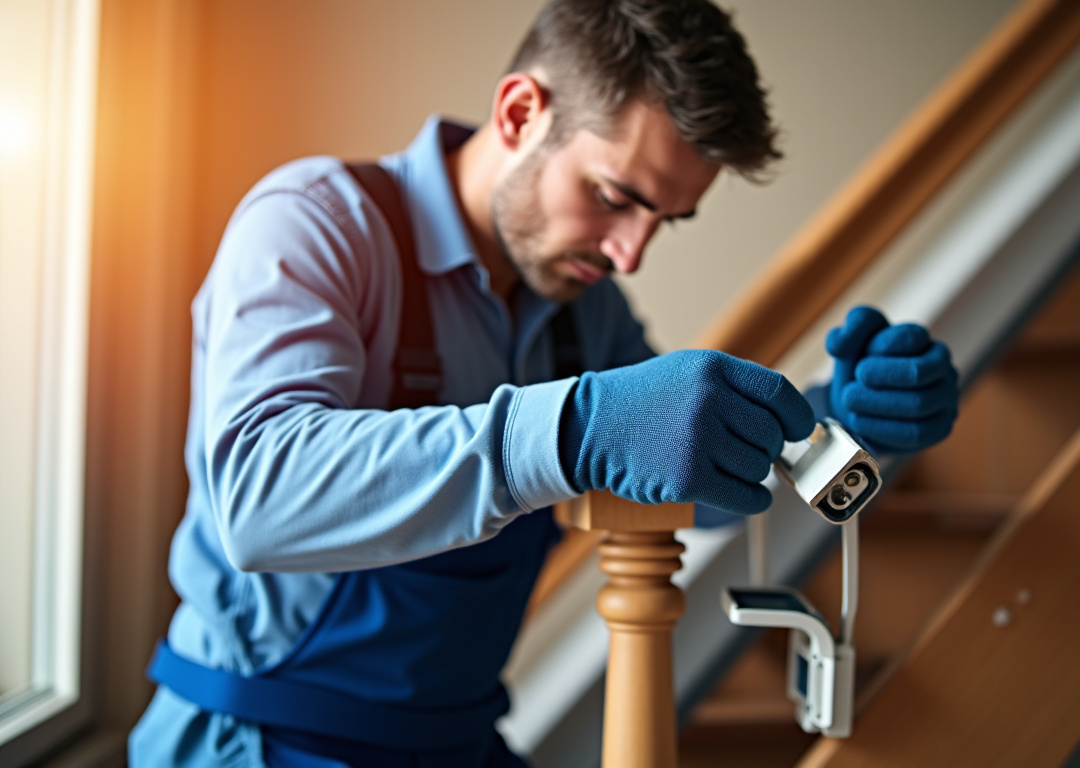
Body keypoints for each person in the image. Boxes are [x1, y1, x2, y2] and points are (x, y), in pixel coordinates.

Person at [129, 0, 960, 765]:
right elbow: (258, 497)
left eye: (663, 222)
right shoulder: (315, 223)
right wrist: (569, 431)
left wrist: (838, 427)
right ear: (521, 112)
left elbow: (687, 481)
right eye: (613, 196)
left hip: (458, 740)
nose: (629, 254)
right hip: (261, 740)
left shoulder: (581, 313)